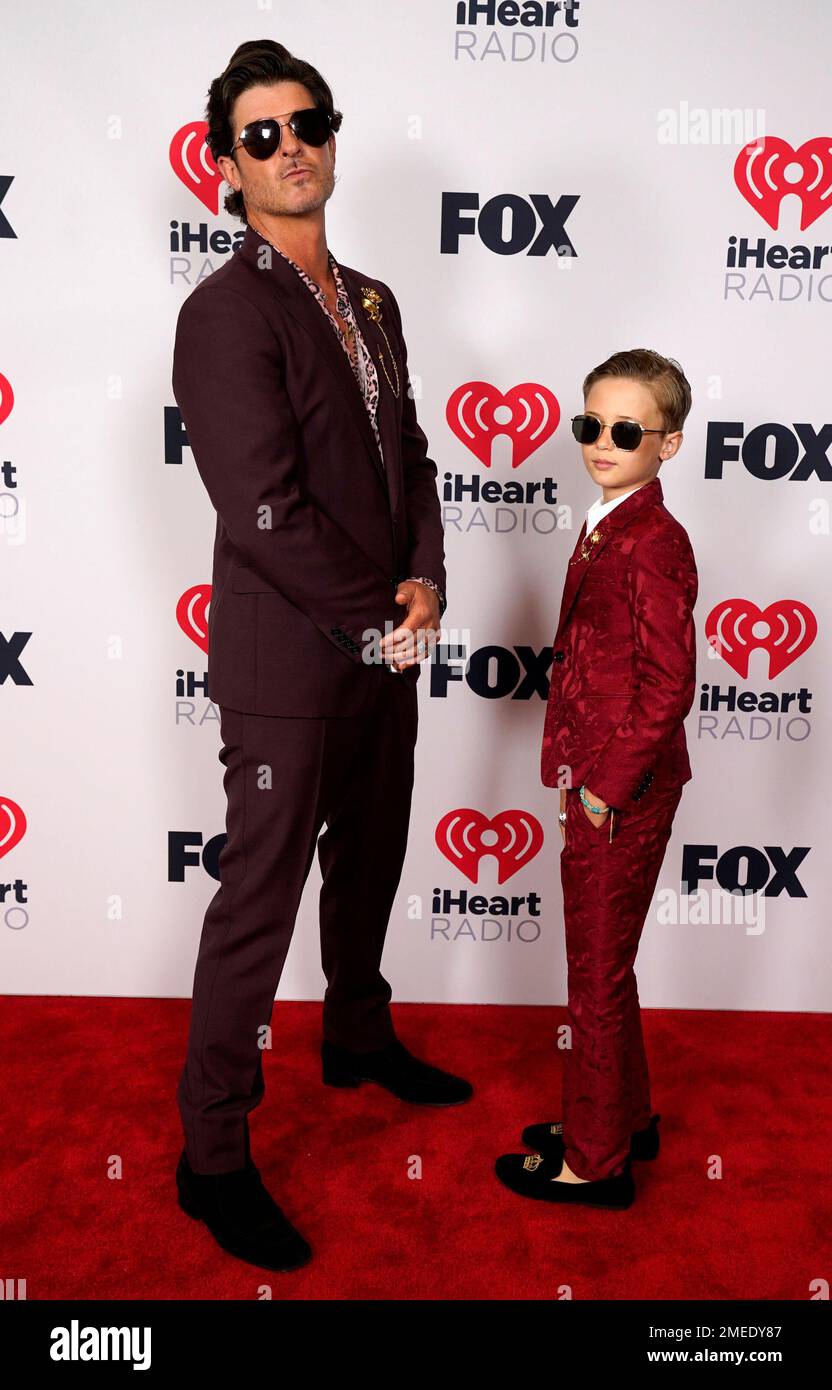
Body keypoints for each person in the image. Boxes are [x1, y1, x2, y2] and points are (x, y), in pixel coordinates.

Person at [172, 38, 471, 1273]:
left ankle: (356, 1033)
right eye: (262, 134)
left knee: (374, 858)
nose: (291, 146)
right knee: (258, 902)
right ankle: (211, 1156)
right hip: (291, 662)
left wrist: (427, 579)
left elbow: (408, 453)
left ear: (331, 136)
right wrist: (379, 609)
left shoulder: (377, 300)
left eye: (309, 122)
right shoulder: (222, 308)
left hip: (379, 646)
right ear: (226, 166)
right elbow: (261, 507)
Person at [495, 349, 698, 1209]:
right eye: (591, 426)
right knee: (608, 966)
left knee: (595, 975)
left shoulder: (653, 542)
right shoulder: (609, 520)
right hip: (604, 777)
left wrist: (604, 788)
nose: (603, 442)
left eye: (626, 430)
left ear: (670, 445)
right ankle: (626, 1118)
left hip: (622, 789)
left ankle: (594, 1161)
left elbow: (668, 687)